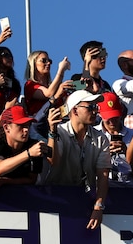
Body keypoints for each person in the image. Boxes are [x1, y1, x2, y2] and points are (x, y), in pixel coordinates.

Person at [40, 90, 110, 230]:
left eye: (96, 107)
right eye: (90, 107)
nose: (95, 111)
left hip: (82, 199)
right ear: (75, 110)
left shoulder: (101, 139)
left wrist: (99, 206)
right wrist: (52, 133)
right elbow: (53, 162)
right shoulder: (59, 132)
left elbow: (103, 176)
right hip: (54, 196)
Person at [0, 105, 46, 189]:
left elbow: (32, 179)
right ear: (6, 128)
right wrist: (28, 153)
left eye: (28, 125)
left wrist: (7, 181)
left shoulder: (33, 145)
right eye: (21, 125)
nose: (26, 130)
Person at [95, 91, 133, 188]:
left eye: (115, 116)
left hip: (129, 189)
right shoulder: (92, 134)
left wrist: (128, 154)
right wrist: (104, 155)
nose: (112, 121)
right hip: (101, 188)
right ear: (99, 114)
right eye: (108, 117)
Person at [23, 50, 69, 115]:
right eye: (44, 60)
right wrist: (61, 70)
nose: (48, 63)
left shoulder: (53, 87)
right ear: (33, 64)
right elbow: (48, 94)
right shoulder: (30, 85)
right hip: (39, 123)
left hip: (58, 121)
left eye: (49, 61)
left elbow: (63, 110)